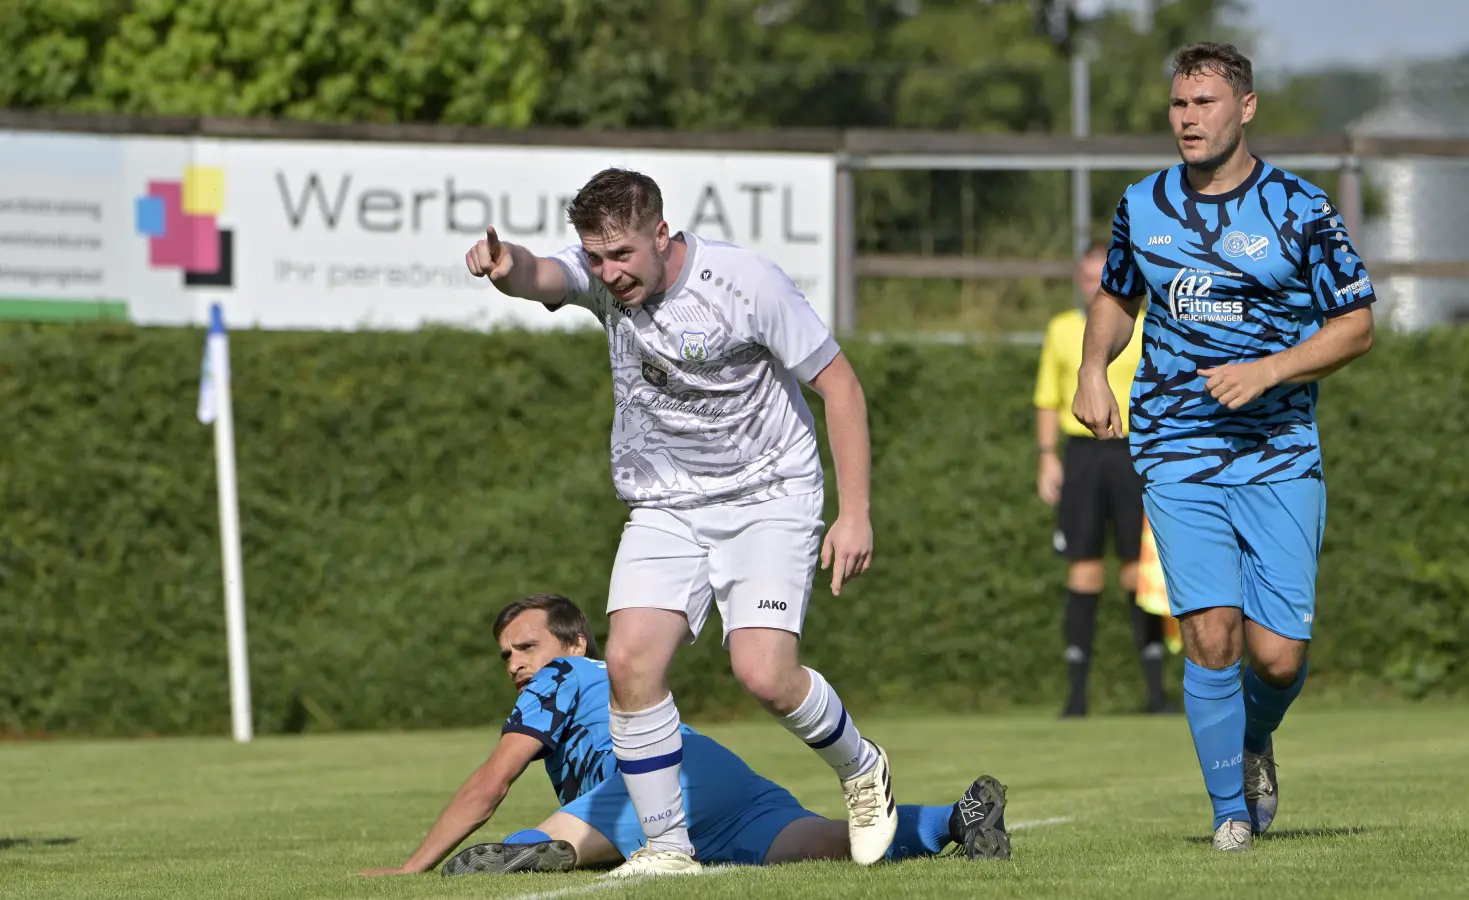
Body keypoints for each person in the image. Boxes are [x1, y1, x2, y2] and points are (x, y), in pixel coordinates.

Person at [461, 169, 894, 878]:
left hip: (769, 496)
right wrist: (506, 266)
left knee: (763, 674)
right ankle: (667, 847)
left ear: (661, 234)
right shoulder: (599, 274)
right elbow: (543, 274)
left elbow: (839, 385)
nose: (609, 273)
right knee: (629, 663)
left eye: (623, 255)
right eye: (596, 258)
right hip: (664, 502)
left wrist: (856, 513)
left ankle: (862, 766)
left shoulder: (748, 282)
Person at [1070, 42, 1376, 852]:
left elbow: (1357, 325)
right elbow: (1117, 297)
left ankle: (1251, 737)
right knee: (1209, 631)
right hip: (1176, 445)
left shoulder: (1300, 208)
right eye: (1178, 105)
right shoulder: (1143, 203)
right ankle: (1228, 814)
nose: (1187, 119)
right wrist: (1092, 368)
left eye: (1203, 103)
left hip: (1280, 448)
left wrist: (1271, 369)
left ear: (1245, 108)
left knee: (1277, 659)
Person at [358, 595, 1010, 877]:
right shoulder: (586, 678)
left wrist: (414, 867)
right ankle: (962, 819)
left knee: (579, 826)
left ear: (576, 642)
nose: (516, 664)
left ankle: (536, 848)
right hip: (718, 773)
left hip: (650, 782)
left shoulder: (561, 676)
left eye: (525, 646)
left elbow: (492, 781)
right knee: (835, 844)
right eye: (506, 656)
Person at [1033, 240, 1173, 718]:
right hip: (1084, 453)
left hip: (1136, 450)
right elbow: (1047, 399)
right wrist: (1048, 457)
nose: (1096, 286)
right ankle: (1077, 697)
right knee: (1084, 566)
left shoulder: (1145, 324)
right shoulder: (1062, 330)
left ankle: (1156, 694)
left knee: (1141, 569)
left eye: (1103, 278)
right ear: (1079, 280)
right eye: (1089, 278)